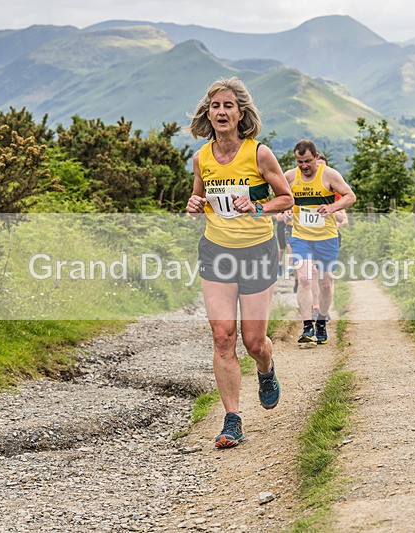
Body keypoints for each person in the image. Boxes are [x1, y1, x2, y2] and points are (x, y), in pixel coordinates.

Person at [185, 77, 294, 449]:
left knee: (252, 341)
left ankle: (266, 369)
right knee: (222, 336)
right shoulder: (202, 157)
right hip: (216, 251)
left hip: (257, 252)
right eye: (215, 106)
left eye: (228, 106)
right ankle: (232, 420)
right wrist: (194, 204)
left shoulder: (259, 153)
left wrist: (259, 206)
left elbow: (287, 198)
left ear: (241, 113)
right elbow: (200, 198)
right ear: (208, 112)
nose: (221, 112)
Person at [284, 140, 356, 346]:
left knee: (325, 284)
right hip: (300, 237)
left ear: (316, 158)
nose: (304, 166)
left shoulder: (329, 175)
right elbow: (281, 197)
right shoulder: (290, 177)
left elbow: (351, 196)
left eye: (307, 161)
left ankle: (322, 320)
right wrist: (286, 209)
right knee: (305, 279)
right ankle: (307, 324)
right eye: (300, 162)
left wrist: (332, 208)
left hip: (326, 238)